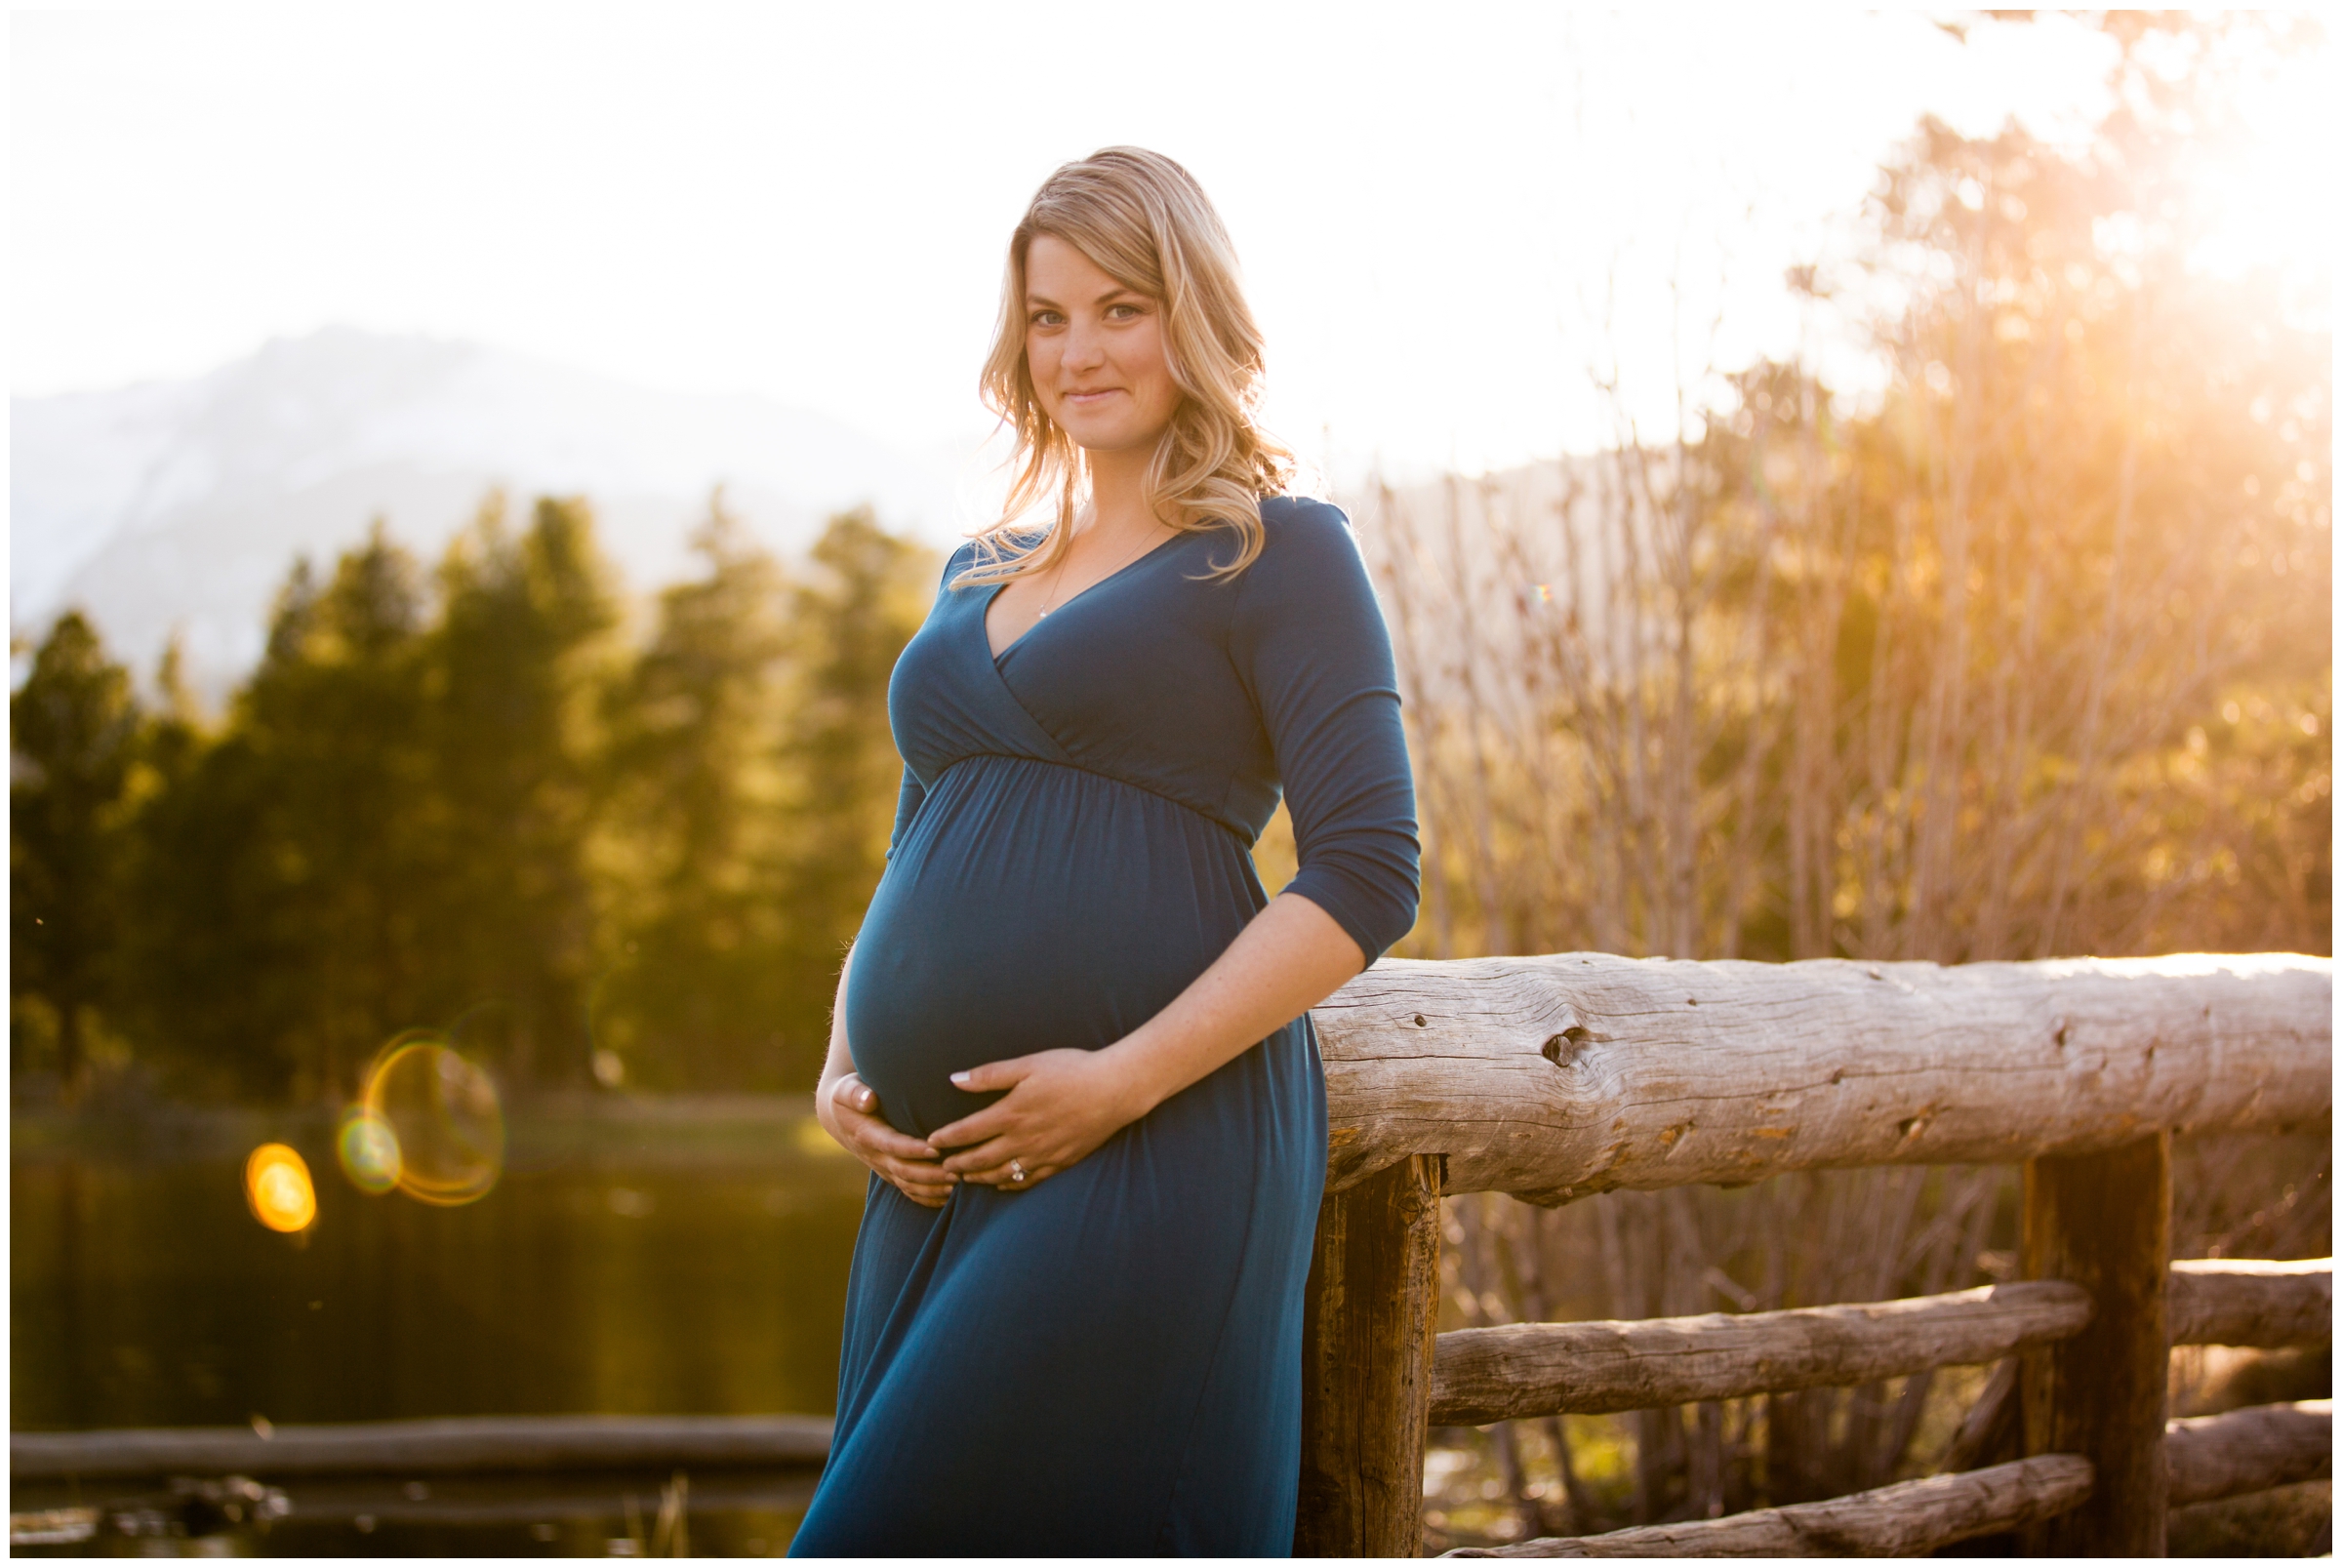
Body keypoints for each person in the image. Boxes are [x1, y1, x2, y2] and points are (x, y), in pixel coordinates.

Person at [787, 146, 1419, 1556]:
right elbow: (919, 847)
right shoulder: (980, 569)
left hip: (1147, 1148)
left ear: (1194, 316)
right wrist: (843, 1062)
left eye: (1120, 308)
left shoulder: (1283, 554)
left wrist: (1117, 1084)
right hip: (933, 1173)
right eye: (1048, 314)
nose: (1078, 350)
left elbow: (1370, 872)